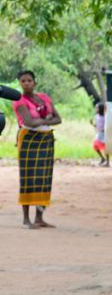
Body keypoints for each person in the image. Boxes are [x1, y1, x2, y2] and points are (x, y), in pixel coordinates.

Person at [12, 70, 62, 229]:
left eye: (29, 80)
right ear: (20, 83)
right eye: (23, 81)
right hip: (29, 140)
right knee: (28, 178)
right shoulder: (19, 101)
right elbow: (29, 122)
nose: (26, 83)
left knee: (44, 178)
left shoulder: (44, 97)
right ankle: (26, 219)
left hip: (46, 139)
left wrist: (42, 120)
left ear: (35, 82)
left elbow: (58, 119)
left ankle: (39, 218)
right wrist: (47, 119)